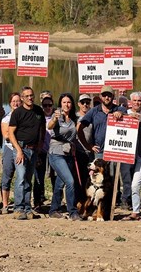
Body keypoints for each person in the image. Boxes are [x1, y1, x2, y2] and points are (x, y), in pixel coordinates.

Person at [8, 86, 46, 220]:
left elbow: (42, 127)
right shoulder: (17, 113)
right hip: (21, 148)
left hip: (33, 149)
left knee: (28, 180)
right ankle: (18, 208)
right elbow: (10, 133)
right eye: (27, 96)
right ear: (22, 98)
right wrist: (18, 150)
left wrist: (40, 144)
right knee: (21, 177)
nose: (30, 98)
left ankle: (27, 208)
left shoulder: (38, 111)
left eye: (31, 95)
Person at [47, 93, 82, 221]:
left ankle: (53, 209)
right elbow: (49, 126)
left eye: (69, 102)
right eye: (64, 102)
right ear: (60, 104)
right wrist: (55, 119)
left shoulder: (74, 118)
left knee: (59, 183)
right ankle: (72, 211)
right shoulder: (56, 116)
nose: (66, 105)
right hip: (56, 153)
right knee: (70, 181)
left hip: (68, 153)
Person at [77, 85, 127, 160]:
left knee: (116, 172)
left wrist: (121, 113)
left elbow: (131, 117)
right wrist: (88, 146)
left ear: (113, 96)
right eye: (104, 95)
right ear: (100, 96)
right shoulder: (94, 111)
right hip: (99, 152)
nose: (106, 97)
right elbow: (79, 128)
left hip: (116, 152)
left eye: (109, 95)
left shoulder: (120, 109)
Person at [121, 91, 141, 210]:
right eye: (134, 100)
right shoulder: (125, 112)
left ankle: (136, 200)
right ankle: (125, 199)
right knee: (126, 177)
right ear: (130, 102)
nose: (137, 103)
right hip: (127, 149)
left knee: (137, 178)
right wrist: (128, 118)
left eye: (139, 100)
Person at [1, 92, 21, 213]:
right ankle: (5, 204)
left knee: (21, 177)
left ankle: (20, 203)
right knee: (7, 176)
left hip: (22, 149)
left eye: (18, 101)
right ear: (10, 103)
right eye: (13, 101)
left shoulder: (24, 116)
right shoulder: (6, 118)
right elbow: (6, 135)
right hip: (9, 148)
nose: (16, 103)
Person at [34, 93, 54, 210]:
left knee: (54, 177)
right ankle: (38, 201)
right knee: (38, 178)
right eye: (45, 105)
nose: (47, 108)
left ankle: (56, 202)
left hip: (53, 152)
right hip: (41, 151)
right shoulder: (38, 117)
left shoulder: (56, 117)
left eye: (49, 105)